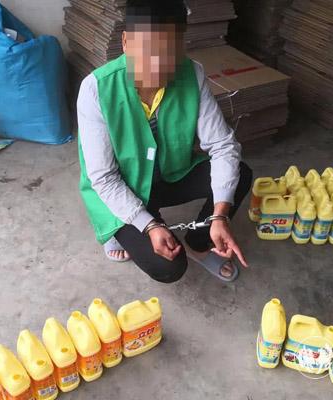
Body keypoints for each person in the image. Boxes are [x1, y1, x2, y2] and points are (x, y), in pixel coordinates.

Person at [77, 0, 252, 283]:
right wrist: (148, 225)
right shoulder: (95, 89)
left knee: (240, 173)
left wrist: (219, 216)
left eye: (169, 52)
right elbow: (104, 177)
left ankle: (199, 241)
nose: (157, 66)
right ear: (126, 42)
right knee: (168, 268)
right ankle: (116, 231)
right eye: (147, 51)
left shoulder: (192, 74)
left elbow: (222, 146)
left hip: (169, 175)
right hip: (125, 186)